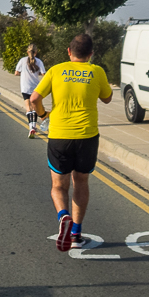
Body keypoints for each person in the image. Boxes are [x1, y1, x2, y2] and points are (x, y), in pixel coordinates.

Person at [30, 34, 113, 251]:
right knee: (81, 182)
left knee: (58, 186)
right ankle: (76, 233)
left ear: (69, 51)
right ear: (91, 53)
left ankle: (63, 215)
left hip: (59, 135)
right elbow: (107, 98)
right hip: (87, 136)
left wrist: (42, 115)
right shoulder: (97, 71)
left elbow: (34, 98)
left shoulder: (56, 70)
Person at [14, 43, 46, 139]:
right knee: (35, 107)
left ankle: (30, 127)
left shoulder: (22, 60)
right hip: (35, 88)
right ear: (36, 52)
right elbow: (44, 74)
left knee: (28, 108)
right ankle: (35, 126)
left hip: (25, 87)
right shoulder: (39, 62)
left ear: (27, 52)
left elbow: (16, 73)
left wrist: (23, 74)